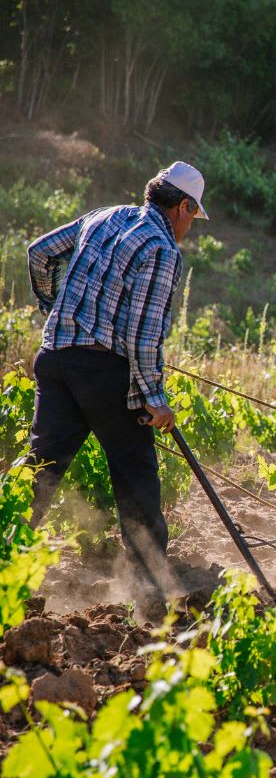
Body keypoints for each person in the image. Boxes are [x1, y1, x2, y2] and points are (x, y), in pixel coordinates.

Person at [25, 161, 208, 572]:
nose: (190, 225)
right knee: (135, 474)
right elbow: (142, 336)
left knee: (39, 470)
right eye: (193, 215)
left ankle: (7, 549)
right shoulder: (161, 249)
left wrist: (57, 307)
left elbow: (40, 252)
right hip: (103, 372)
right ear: (183, 207)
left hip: (55, 357)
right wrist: (156, 401)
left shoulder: (106, 216)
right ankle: (149, 591)